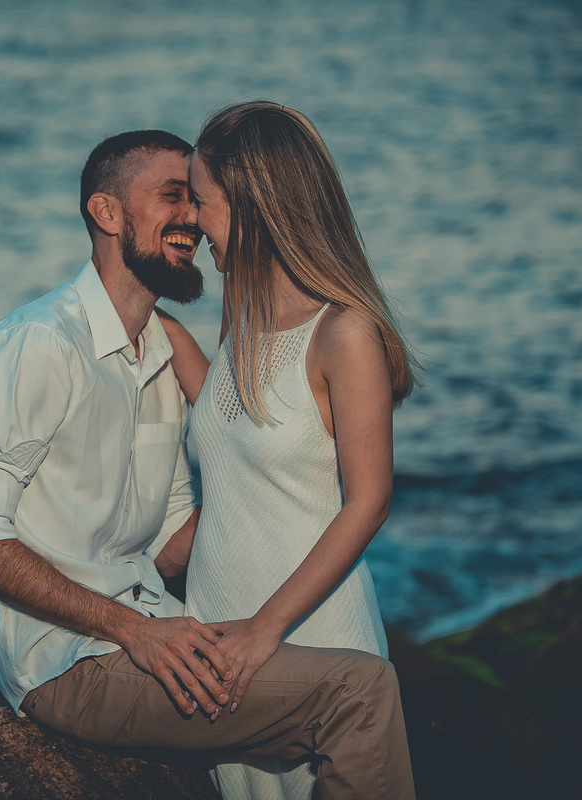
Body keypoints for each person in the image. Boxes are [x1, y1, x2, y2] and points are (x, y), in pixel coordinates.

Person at [0, 128, 415, 800]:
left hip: (200, 621)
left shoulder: (160, 354)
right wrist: (140, 629)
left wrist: (241, 599)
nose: (193, 218)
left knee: (350, 702)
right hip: (77, 653)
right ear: (107, 214)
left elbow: (170, 532)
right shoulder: (40, 344)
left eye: (198, 199)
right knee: (358, 699)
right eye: (176, 197)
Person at [156, 102, 420, 799]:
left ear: (252, 206)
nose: (190, 221)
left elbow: (369, 504)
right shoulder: (241, 321)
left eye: (201, 202)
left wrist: (265, 631)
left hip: (303, 636)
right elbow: (235, 431)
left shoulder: (344, 334)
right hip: (221, 635)